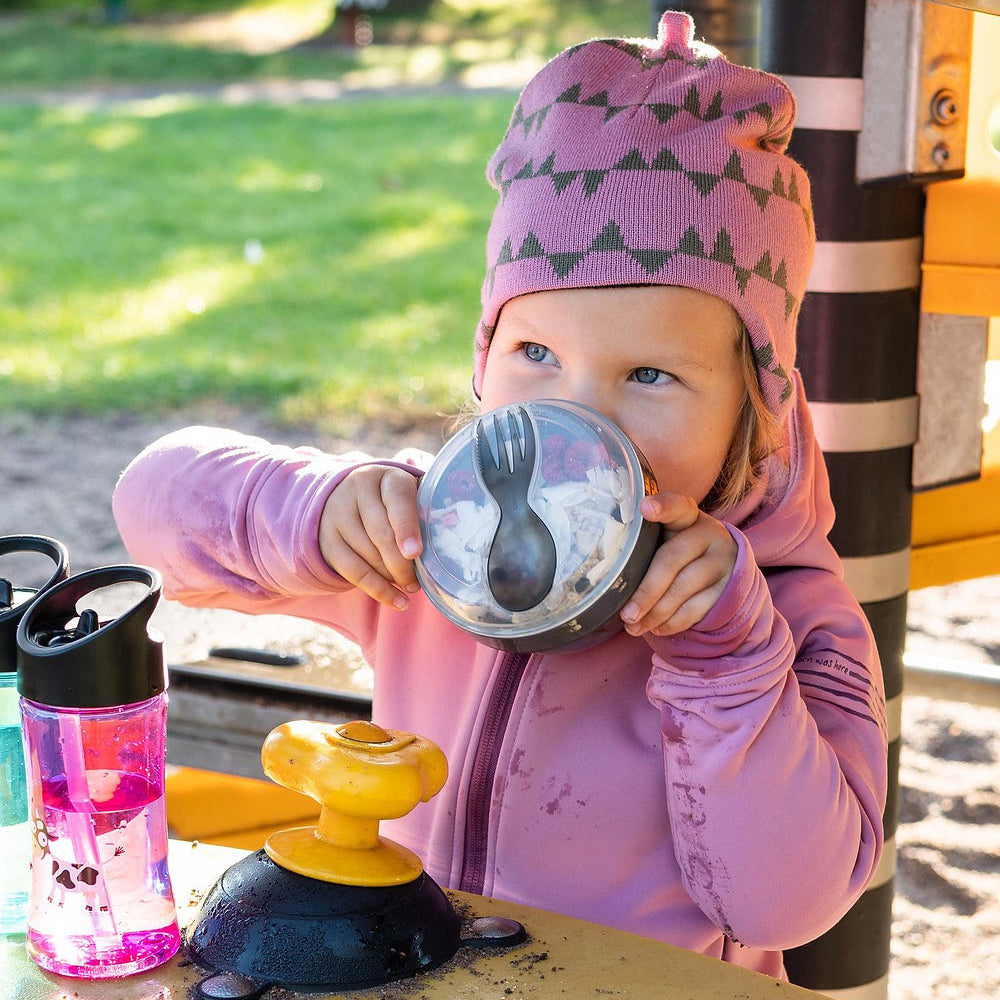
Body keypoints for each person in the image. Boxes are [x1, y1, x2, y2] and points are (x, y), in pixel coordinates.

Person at [113, 12, 887, 979]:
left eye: (650, 374)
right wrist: (316, 512)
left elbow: (789, 904)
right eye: (536, 354)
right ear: (486, 363)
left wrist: (728, 659)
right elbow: (151, 507)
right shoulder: (437, 537)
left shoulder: (788, 617)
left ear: (755, 410)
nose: (577, 416)